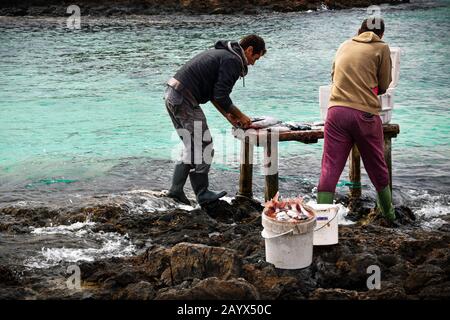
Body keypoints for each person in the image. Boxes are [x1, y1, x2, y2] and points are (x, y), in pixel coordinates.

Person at [165, 34, 266, 208]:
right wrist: (241, 116)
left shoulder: (225, 55)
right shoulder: (233, 61)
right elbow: (221, 95)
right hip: (184, 98)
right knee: (205, 145)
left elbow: (214, 95)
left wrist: (229, 116)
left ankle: (176, 190)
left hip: (172, 94)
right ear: (249, 50)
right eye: (255, 58)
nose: (253, 63)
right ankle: (202, 193)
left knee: (194, 146)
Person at [317, 18, 395, 221]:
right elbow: (385, 84)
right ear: (381, 34)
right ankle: (389, 216)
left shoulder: (344, 44)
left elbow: (333, 76)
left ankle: (322, 221)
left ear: (358, 31)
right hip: (364, 114)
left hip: (335, 112)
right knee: (376, 166)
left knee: (330, 166)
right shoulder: (382, 47)